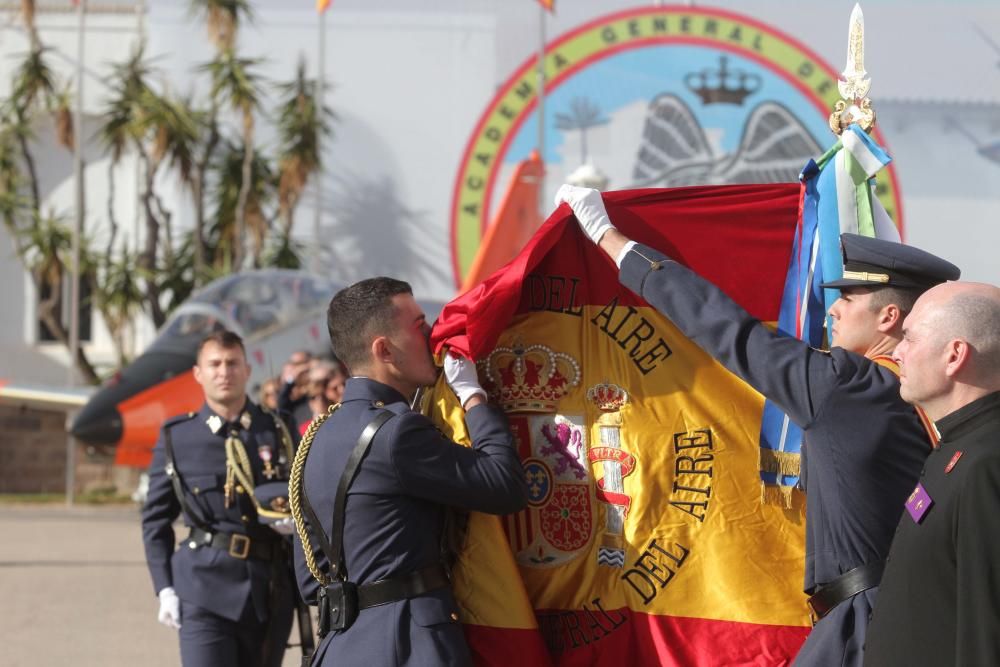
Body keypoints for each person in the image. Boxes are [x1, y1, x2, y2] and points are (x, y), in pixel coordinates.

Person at [555, 185, 959, 667]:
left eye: (848, 298)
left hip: (860, 628)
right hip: (912, 614)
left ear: (889, 316)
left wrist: (611, 240)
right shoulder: (930, 396)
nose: (831, 309)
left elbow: (726, 328)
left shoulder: (845, 387)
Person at [292, 276, 528, 666]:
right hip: (410, 648)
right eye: (419, 326)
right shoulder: (398, 432)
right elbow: (505, 486)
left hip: (341, 649)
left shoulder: (317, 434)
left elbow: (308, 578)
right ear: (384, 350)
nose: (433, 336)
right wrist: (473, 398)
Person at [141, 330, 297, 667]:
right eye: (214, 364)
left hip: (269, 587)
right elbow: (155, 519)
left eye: (232, 363)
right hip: (202, 587)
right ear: (199, 373)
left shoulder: (276, 430)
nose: (224, 372)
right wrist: (164, 587)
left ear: (247, 370)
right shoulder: (178, 437)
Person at [864, 282, 1000, 666]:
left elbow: (986, 629)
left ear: (955, 355)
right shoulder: (959, 449)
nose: (896, 351)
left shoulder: (986, 463)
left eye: (909, 337)